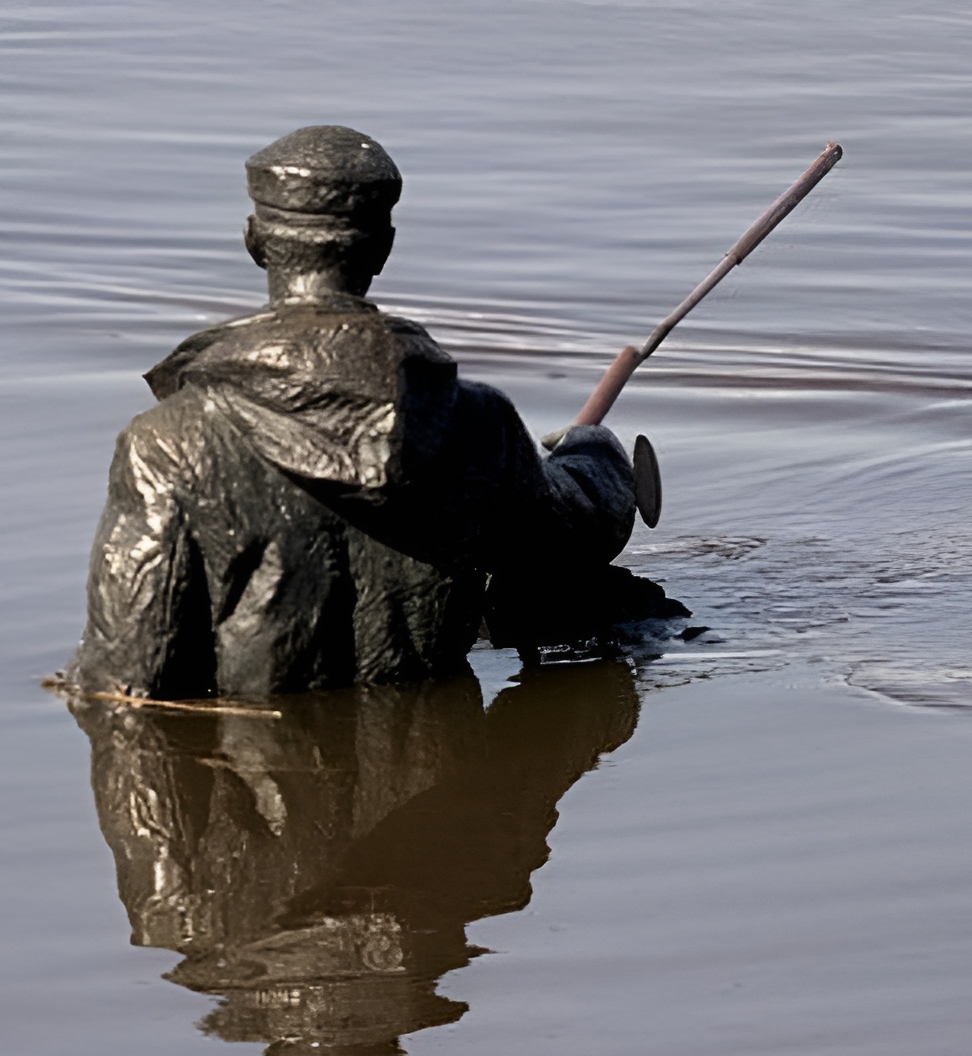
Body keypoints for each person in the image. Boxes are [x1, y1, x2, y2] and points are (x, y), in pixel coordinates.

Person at [64, 125, 674, 702]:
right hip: (447, 791)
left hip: (259, 797)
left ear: (255, 242)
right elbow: (580, 532)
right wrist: (594, 451)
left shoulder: (166, 444)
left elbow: (124, 681)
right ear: (382, 247)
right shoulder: (476, 425)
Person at [71, 657, 643, 1056]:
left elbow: (118, 698)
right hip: (400, 681)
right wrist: (613, 702)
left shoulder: (171, 916)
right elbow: (559, 745)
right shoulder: (456, 899)